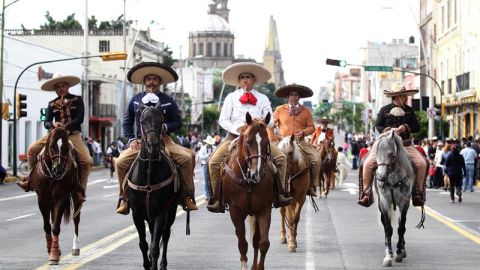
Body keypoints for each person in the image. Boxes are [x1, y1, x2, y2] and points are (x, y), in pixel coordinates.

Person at [207, 62, 292, 213]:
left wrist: (261, 122)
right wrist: (237, 129)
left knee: (281, 158)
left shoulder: (263, 98)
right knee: (213, 162)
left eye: (248, 77)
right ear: (239, 81)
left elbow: (271, 121)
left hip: (258, 138)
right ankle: (216, 198)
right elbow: (223, 120)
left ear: (254, 80)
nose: (245, 80)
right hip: (234, 137)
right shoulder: (231, 97)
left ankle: (281, 194)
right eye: (242, 77)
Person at [115, 62, 197, 214]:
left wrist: (166, 127)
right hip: (141, 142)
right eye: (148, 79)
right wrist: (132, 139)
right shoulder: (135, 99)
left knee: (186, 158)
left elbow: (178, 121)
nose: (151, 82)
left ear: (159, 82)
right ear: (144, 82)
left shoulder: (168, 100)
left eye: (154, 79)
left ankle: (187, 196)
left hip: (164, 140)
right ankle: (124, 197)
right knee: (119, 162)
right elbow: (127, 122)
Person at [17, 73, 92, 202]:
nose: (61, 89)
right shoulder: (51, 104)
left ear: (67, 86)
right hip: (54, 134)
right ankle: (30, 180)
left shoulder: (78, 100)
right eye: (58, 87)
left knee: (87, 161)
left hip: (73, 135)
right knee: (32, 149)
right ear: (55, 89)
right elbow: (46, 122)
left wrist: (65, 127)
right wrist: (52, 124)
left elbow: (79, 119)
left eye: (63, 86)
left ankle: (80, 191)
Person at [358, 82, 427, 207]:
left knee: (422, 163)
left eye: (405, 96)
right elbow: (378, 125)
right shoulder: (384, 110)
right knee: (367, 163)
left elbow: (417, 127)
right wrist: (389, 130)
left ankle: (418, 193)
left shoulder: (410, 111)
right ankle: (366, 193)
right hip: (385, 144)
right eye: (403, 96)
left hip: (405, 145)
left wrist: (405, 127)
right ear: (396, 96)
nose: (405, 98)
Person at [267, 83, 320, 196]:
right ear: (288, 97)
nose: (294, 97)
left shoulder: (306, 110)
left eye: (296, 95)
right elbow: (270, 125)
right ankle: (270, 186)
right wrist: (273, 140)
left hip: (300, 142)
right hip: (282, 142)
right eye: (291, 95)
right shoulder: (280, 109)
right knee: (267, 160)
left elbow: (312, 127)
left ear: (299, 97)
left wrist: (304, 132)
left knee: (316, 159)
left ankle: (312, 186)